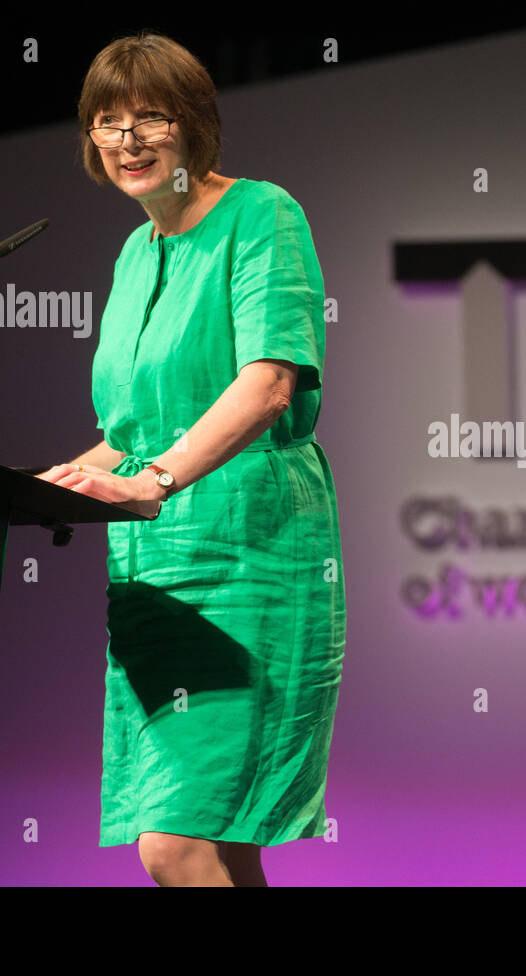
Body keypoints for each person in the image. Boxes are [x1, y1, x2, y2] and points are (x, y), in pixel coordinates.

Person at [36, 30, 346, 886]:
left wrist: (153, 480)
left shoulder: (262, 214)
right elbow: (133, 431)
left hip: (253, 557)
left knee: (174, 844)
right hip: (154, 575)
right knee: (217, 837)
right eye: (107, 121)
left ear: (194, 126)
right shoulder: (135, 254)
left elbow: (268, 384)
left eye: (150, 117)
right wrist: (35, 488)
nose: (127, 139)